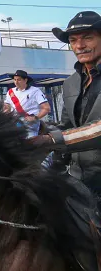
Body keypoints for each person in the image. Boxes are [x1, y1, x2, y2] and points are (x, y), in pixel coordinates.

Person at [36, 11, 101, 201]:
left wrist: (50, 140)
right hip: (79, 180)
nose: (79, 46)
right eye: (73, 40)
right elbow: (67, 126)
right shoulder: (70, 83)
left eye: (88, 38)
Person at [3, 69, 51, 138]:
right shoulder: (10, 92)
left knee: (29, 144)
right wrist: (5, 109)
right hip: (14, 122)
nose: (16, 82)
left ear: (25, 80)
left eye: (19, 80)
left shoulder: (35, 91)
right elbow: (7, 105)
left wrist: (35, 118)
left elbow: (46, 108)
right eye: (15, 79)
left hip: (30, 124)